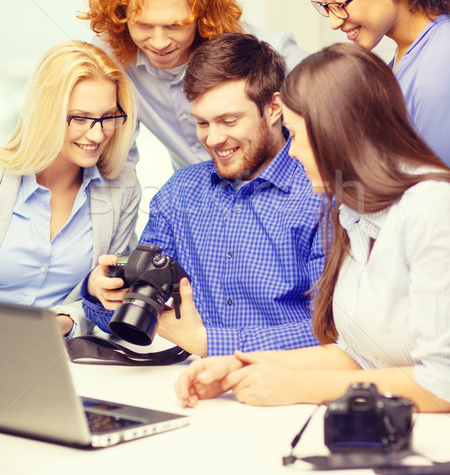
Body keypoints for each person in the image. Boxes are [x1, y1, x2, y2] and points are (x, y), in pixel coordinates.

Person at [174, 43, 450, 413]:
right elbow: (360, 355)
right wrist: (241, 367)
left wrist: (299, 385)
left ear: (338, 132)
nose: (291, 152)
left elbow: (442, 383)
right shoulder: (354, 213)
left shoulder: (432, 209)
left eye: (297, 134)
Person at [81, 32, 325, 356]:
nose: (212, 139)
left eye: (228, 120)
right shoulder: (180, 192)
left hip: (286, 390)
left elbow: (337, 330)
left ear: (273, 108)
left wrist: (211, 343)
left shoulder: (320, 194)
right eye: (202, 123)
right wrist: (99, 291)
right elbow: (137, 310)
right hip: (188, 387)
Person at [80, 0, 307, 170]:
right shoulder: (108, 60)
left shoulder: (271, 54)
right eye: (143, 25)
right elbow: (116, 161)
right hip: (193, 200)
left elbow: (342, 105)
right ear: (122, 17)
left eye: (175, 26)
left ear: (202, 14)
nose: (158, 42)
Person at [0, 41, 141, 337]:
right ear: (45, 113)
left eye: (108, 117)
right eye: (80, 118)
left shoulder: (123, 188)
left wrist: (69, 316)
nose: (97, 133)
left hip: (56, 356)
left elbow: (107, 304)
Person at [309, 0, 450, 165]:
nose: (334, 21)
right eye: (325, 4)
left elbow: (438, 196)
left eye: (339, 2)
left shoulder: (440, 65)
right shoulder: (395, 66)